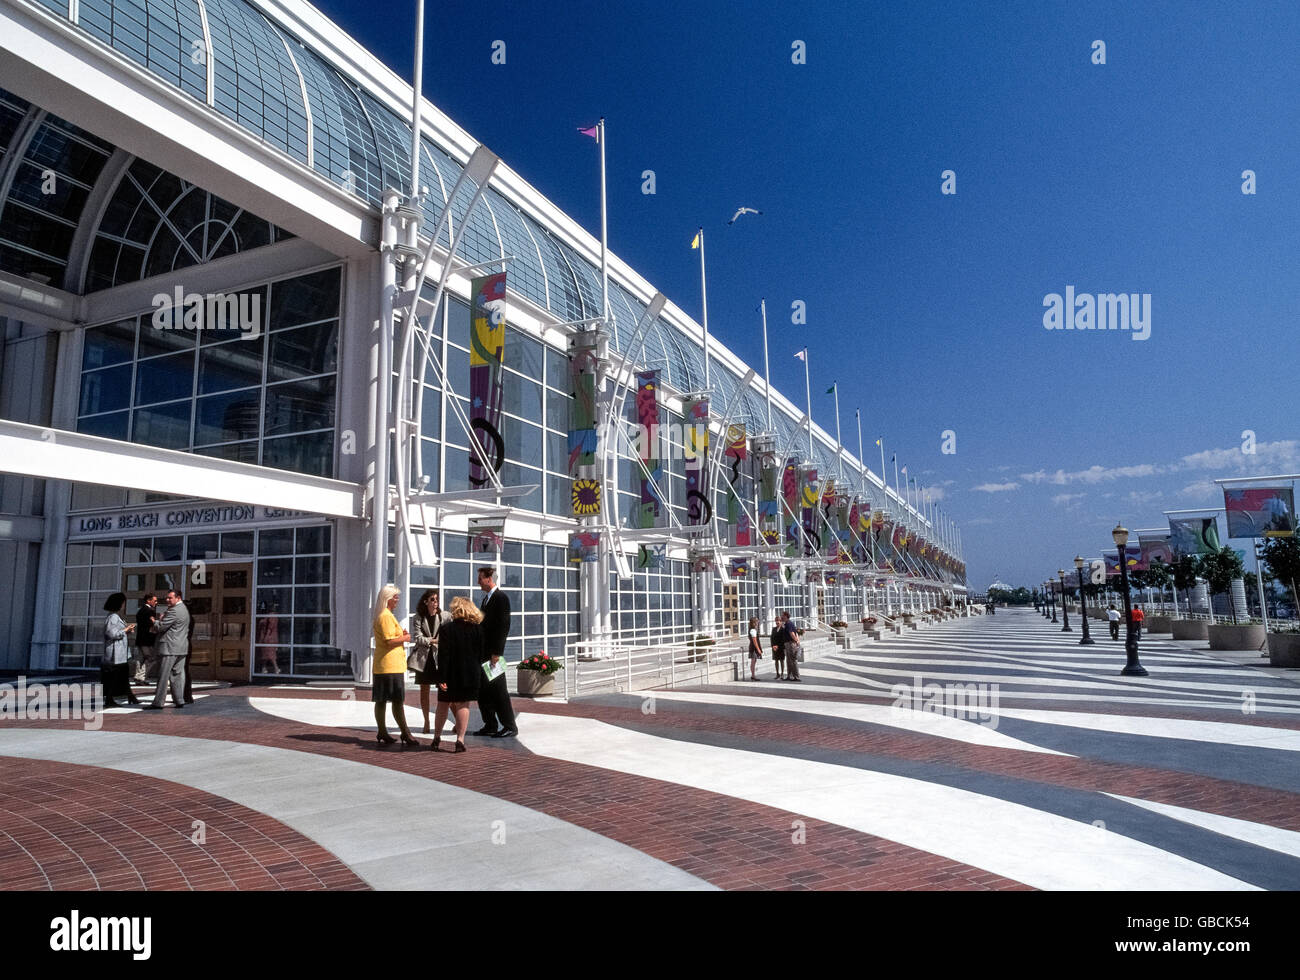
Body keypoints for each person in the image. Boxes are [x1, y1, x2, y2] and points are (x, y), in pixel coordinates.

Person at [429, 596, 484, 752]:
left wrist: (442, 677)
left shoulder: (446, 629)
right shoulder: (478, 629)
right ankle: (460, 739)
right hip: (470, 673)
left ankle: (436, 738)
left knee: (443, 705)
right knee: (463, 705)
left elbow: (443, 655)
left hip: (450, 672)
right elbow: (481, 654)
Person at [371, 584, 417, 747]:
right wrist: (405, 638)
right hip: (389, 666)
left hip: (386, 665)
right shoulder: (385, 616)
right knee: (396, 700)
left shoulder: (385, 615)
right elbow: (389, 641)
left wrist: (400, 636)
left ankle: (383, 731)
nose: (397, 600)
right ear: (388, 598)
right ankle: (405, 732)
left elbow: (389, 638)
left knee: (382, 700)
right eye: (395, 597)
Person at [474, 567, 517, 738]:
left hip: (494, 655)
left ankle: (509, 726)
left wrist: (497, 653)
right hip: (483, 653)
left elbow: (503, 627)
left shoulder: (501, 598)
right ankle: (490, 724)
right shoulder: (486, 599)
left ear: (489, 578)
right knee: (483, 690)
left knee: (499, 690)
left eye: (480, 578)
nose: (478, 582)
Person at [412, 590, 451, 734]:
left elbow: (454, 629)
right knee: (424, 691)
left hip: (439, 658)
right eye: (433, 599)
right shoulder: (418, 618)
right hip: (424, 659)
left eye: (437, 600)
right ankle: (426, 722)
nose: (436, 602)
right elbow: (417, 638)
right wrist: (433, 640)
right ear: (426, 601)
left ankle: (456, 721)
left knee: (446, 690)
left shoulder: (444, 616)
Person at [146, 590, 190, 709]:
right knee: (177, 675)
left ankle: (158, 702)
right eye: (167, 598)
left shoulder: (174, 611)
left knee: (163, 676)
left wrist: (155, 621)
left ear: (178, 598)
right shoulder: (184, 610)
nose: (167, 600)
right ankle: (179, 700)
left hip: (169, 648)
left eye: (170, 598)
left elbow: (161, 627)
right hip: (181, 647)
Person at [102, 593, 138, 707]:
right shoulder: (113, 617)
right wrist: (125, 630)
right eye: (123, 603)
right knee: (115, 677)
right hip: (115, 654)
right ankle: (110, 699)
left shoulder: (115, 616)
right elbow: (111, 633)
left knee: (123, 676)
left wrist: (126, 630)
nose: (124, 605)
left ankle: (130, 696)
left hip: (120, 654)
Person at [132, 592, 158, 685]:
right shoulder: (150, 611)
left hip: (140, 639)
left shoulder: (140, 610)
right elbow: (152, 625)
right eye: (154, 600)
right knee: (151, 658)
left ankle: (138, 677)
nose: (156, 602)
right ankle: (141, 677)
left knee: (141, 659)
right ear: (149, 600)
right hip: (147, 640)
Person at [782, 611, 802, 682]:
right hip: (787, 644)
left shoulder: (789, 624)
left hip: (791, 644)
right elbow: (795, 632)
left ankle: (796, 676)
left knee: (793, 660)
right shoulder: (786, 624)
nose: (782, 617)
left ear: (786, 616)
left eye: (783, 616)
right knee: (789, 660)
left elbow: (792, 633)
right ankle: (789, 676)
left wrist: (796, 641)